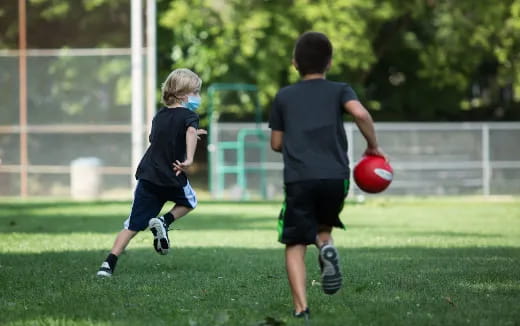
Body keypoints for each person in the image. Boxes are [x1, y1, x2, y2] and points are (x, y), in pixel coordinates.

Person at [268, 32, 387, 319]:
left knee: (295, 243)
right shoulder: (340, 90)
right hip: (336, 177)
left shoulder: (284, 96)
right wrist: (373, 146)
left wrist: (296, 140)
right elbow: (360, 114)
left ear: (295, 63)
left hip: (300, 177)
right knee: (323, 227)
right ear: (329, 63)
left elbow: (276, 144)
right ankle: (325, 248)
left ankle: (301, 309)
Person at [97, 68, 206, 277]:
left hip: (149, 176)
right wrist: (190, 159)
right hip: (172, 175)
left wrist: (188, 135)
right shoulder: (190, 116)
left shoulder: (160, 116)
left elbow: (156, 139)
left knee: (132, 225)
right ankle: (164, 222)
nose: (198, 97)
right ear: (183, 95)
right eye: (196, 92)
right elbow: (190, 131)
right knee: (189, 202)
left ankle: (108, 264)